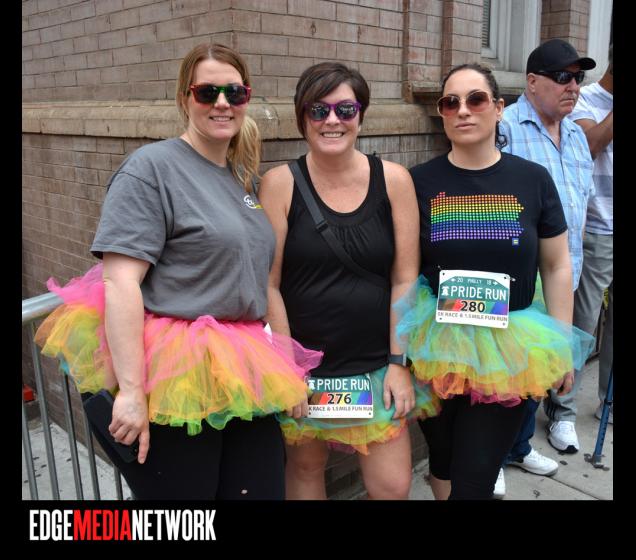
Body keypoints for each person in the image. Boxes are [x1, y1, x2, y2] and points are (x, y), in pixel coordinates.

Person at [34, 43, 322, 500]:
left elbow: (258, 281)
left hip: (242, 368)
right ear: (184, 98)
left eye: (235, 92)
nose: (222, 103)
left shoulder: (241, 179)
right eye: (207, 92)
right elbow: (120, 281)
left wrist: (286, 366)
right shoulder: (151, 168)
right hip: (177, 375)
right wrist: (132, 392)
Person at [395, 63, 595, 500]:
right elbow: (405, 270)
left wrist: (560, 344)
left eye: (476, 99)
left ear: (499, 108)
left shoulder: (532, 179)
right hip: (438, 347)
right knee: (443, 461)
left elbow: (557, 266)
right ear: (442, 113)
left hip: (508, 350)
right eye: (451, 102)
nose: (463, 110)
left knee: (475, 479)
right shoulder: (419, 182)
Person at [258, 62, 439, 500]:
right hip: (307, 370)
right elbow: (269, 284)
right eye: (318, 110)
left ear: (361, 114)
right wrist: (288, 370)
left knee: (392, 486)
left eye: (345, 109)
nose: (332, 120)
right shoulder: (279, 184)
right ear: (302, 116)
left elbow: (404, 278)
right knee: (305, 468)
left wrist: (399, 363)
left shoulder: (394, 180)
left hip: (376, 364)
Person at [495, 39, 597, 496]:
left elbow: (579, 206)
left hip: (562, 272)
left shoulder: (575, 135)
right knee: (503, 375)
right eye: (562, 77)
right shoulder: (504, 128)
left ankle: (518, 447)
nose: (572, 86)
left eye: (578, 78)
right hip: (518, 279)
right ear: (532, 82)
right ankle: (492, 457)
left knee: (537, 372)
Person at [569, 43, 613, 424]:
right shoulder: (583, 99)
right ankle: (562, 409)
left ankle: (608, 404)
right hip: (598, 229)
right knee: (582, 325)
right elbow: (592, 144)